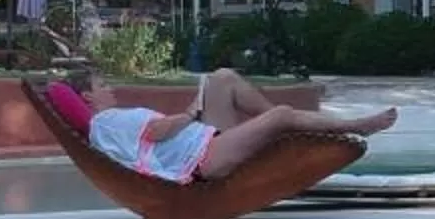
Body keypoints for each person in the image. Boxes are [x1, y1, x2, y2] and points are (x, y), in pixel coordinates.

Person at [43, 68, 397, 184]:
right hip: (201, 160)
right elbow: (154, 133)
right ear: (87, 97)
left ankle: (287, 133)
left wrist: (190, 116)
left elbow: (156, 136)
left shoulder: (108, 122)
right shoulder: (106, 123)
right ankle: (356, 125)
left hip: (199, 143)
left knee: (222, 78)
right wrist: (191, 115)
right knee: (281, 115)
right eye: (102, 86)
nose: (111, 89)